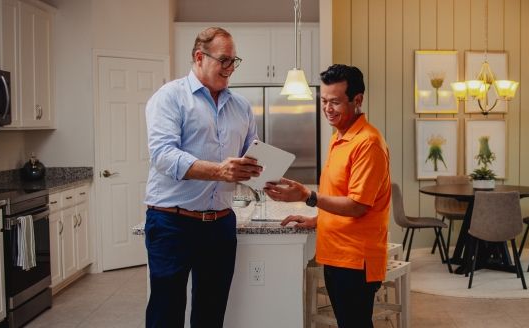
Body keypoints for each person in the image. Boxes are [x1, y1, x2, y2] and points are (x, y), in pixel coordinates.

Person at [143, 27, 262, 328]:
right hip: (172, 222)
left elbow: (251, 156)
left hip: (220, 224)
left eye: (234, 61)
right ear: (199, 56)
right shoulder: (170, 97)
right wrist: (220, 170)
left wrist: (265, 172)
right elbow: (163, 156)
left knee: (211, 314)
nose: (231, 68)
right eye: (224, 60)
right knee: (166, 313)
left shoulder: (241, 107)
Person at [264, 64, 391, 328]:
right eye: (323, 101)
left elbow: (357, 205)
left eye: (335, 102)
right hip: (337, 252)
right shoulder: (339, 137)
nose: (327, 109)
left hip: (355, 259)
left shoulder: (368, 143)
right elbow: (340, 194)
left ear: (357, 100)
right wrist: (317, 220)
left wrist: (308, 196)